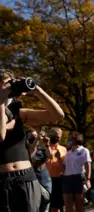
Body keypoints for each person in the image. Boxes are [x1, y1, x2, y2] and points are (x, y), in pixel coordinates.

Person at [0, 73, 64, 211]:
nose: (9, 86)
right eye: (5, 83)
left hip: (26, 177)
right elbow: (1, 134)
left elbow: (57, 115)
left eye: (11, 83)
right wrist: (1, 102)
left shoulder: (20, 113)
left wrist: (37, 90)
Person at [62, 132, 92, 212]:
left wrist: (88, 179)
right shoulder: (68, 152)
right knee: (67, 204)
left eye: (70, 138)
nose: (68, 140)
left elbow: (87, 165)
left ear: (76, 140)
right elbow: (64, 166)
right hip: (67, 178)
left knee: (79, 204)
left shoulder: (84, 150)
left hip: (78, 177)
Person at [26, 129, 52, 212]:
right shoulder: (25, 149)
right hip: (32, 178)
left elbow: (50, 156)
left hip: (44, 178)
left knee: (46, 200)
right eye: (31, 136)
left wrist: (47, 144)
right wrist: (37, 139)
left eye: (35, 136)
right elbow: (31, 154)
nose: (34, 138)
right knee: (35, 203)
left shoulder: (42, 148)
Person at [46, 127, 67, 212]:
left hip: (58, 179)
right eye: (54, 136)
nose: (56, 138)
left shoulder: (63, 149)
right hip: (46, 179)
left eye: (58, 136)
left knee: (57, 205)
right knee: (47, 204)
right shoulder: (44, 147)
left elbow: (65, 164)